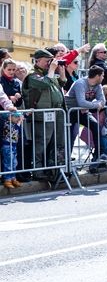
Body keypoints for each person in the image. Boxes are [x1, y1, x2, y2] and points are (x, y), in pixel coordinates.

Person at [22, 49, 67, 185]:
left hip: (56, 113)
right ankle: (38, 170)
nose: (50, 63)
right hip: (41, 116)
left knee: (56, 143)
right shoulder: (32, 75)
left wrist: (62, 70)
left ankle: (53, 169)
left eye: (50, 61)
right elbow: (45, 83)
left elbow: (61, 83)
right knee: (41, 143)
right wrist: (52, 69)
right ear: (38, 60)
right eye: (47, 61)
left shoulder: (49, 74)